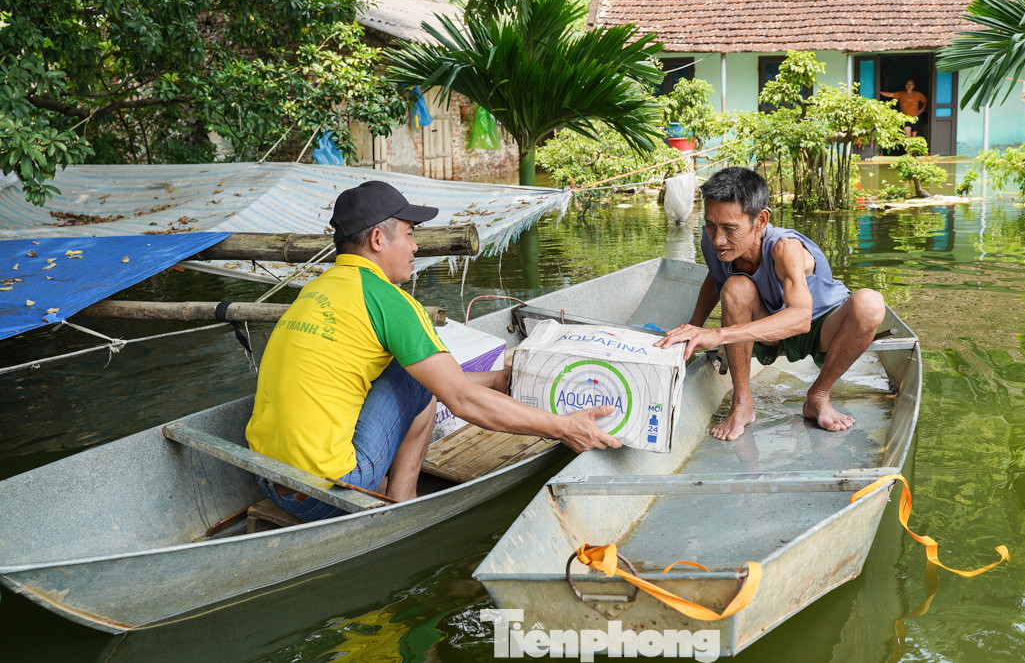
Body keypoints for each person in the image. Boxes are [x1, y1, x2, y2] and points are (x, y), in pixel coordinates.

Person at [246, 180, 621, 521]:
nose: (415, 246)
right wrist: (564, 426)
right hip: (326, 495)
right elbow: (460, 400)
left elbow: (437, 381)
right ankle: (403, 503)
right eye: (409, 234)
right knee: (419, 381)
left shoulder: (314, 290)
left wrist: (494, 380)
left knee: (412, 372)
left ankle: (387, 488)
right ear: (377, 239)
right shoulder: (390, 301)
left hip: (266, 478)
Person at [653, 167, 885, 439]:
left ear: (761, 220)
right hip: (769, 330)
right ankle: (742, 403)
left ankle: (819, 395)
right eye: (710, 224)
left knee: (870, 303)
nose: (718, 238)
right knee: (735, 287)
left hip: (820, 327)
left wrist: (717, 335)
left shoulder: (785, 249)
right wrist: (694, 327)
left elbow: (800, 320)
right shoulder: (713, 240)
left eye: (730, 228)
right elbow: (715, 278)